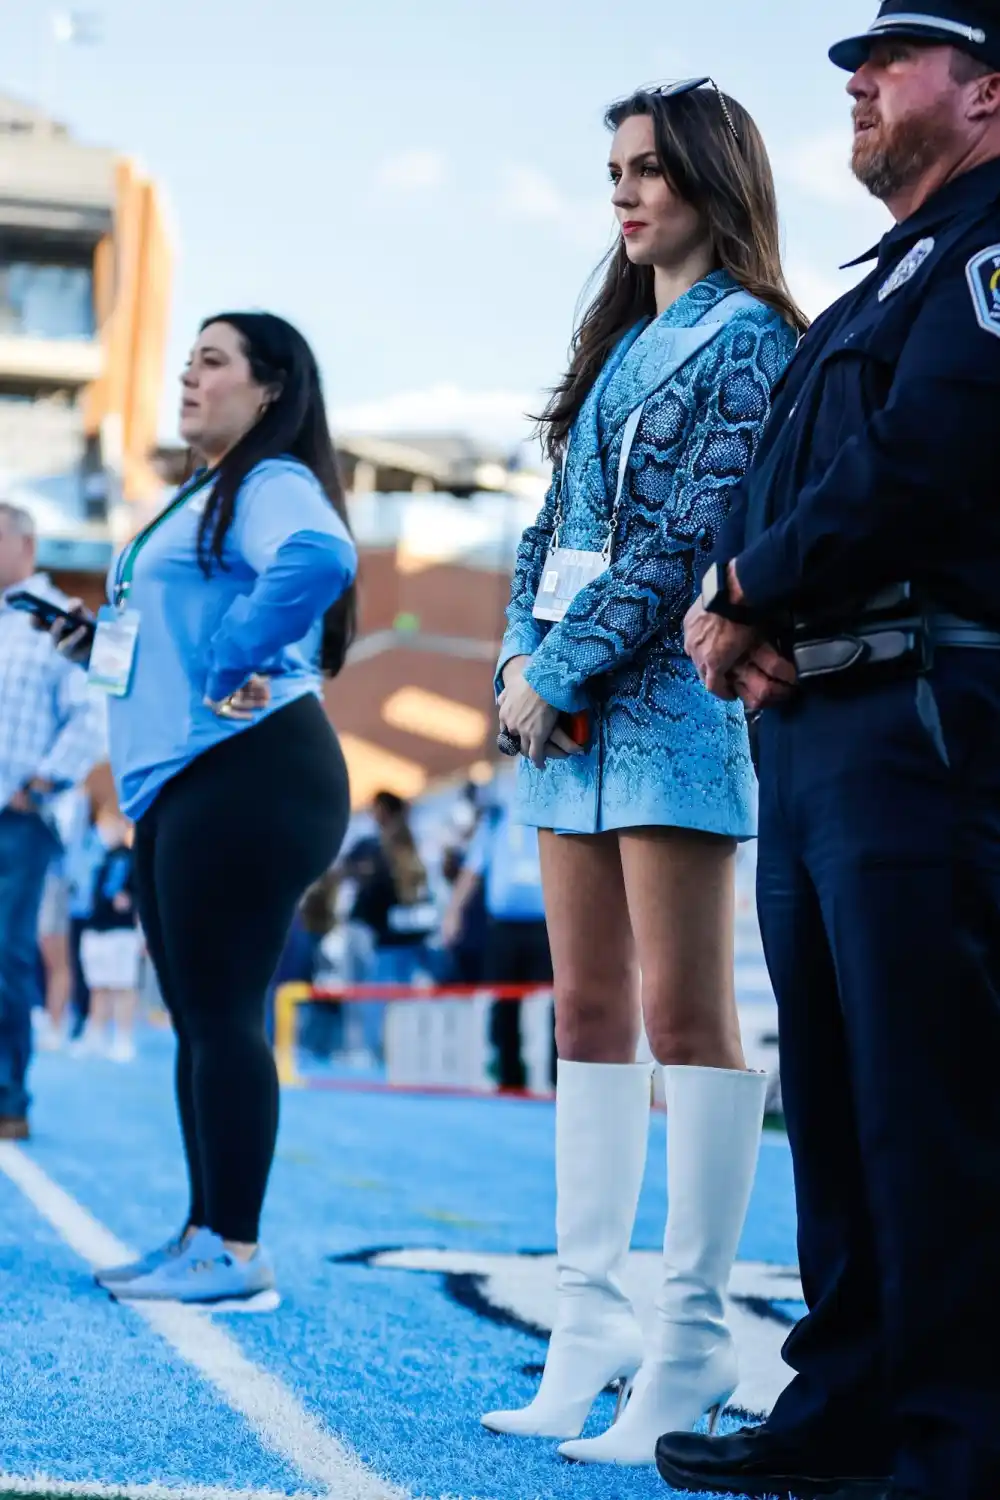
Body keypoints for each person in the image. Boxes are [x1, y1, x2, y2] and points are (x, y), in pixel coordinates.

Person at [666, 8, 1000, 1500]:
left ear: (988, 93)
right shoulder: (882, 283)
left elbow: (935, 457)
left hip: (927, 718)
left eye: (897, 58)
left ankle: (956, 1438)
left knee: (936, 1097)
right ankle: (852, 1400)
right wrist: (734, 610)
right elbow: (775, 494)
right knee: (849, 1098)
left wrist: (748, 591)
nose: (858, 82)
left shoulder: (989, 256)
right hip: (819, 724)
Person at [481, 81, 804, 1464]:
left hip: (671, 704)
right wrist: (515, 659)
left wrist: (555, 672)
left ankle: (688, 1347)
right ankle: (589, 1325)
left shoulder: (754, 341)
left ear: (712, 182)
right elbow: (550, 521)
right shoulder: (616, 339)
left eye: (652, 170)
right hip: (567, 720)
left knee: (686, 1019)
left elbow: (687, 540)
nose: (626, 193)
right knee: (589, 1017)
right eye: (615, 169)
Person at [52, 312, 358, 1309]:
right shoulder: (200, 495)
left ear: (268, 389)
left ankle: (234, 1248)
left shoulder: (268, 484)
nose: (188, 375)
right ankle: (204, 1232)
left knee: (221, 1013)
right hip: (193, 778)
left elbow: (318, 560)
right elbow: (163, 642)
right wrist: (91, 645)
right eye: (185, 359)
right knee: (195, 1017)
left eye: (212, 361)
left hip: (248, 767)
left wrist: (233, 654)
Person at [0, 501, 106, 1139]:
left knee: (6, 955)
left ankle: (9, 1096)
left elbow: (91, 716)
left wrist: (36, 788)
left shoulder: (58, 619)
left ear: (27, 545)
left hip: (18, 821)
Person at [441, 771, 553, 1090]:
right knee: (503, 1002)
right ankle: (509, 1077)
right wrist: (453, 913)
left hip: (545, 925)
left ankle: (560, 1077)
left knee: (559, 1003)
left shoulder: (553, 813)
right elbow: (472, 871)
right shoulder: (494, 823)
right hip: (504, 928)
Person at [339, 790, 436, 1064]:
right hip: (366, 927)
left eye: (378, 808)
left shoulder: (404, 845)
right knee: (362, 991)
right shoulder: (369, 844)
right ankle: (362, 1048)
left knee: (377, 993)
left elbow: (414, 888)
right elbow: (346, 870)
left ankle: (377, 1049)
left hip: (387, 935)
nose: (374, 814)